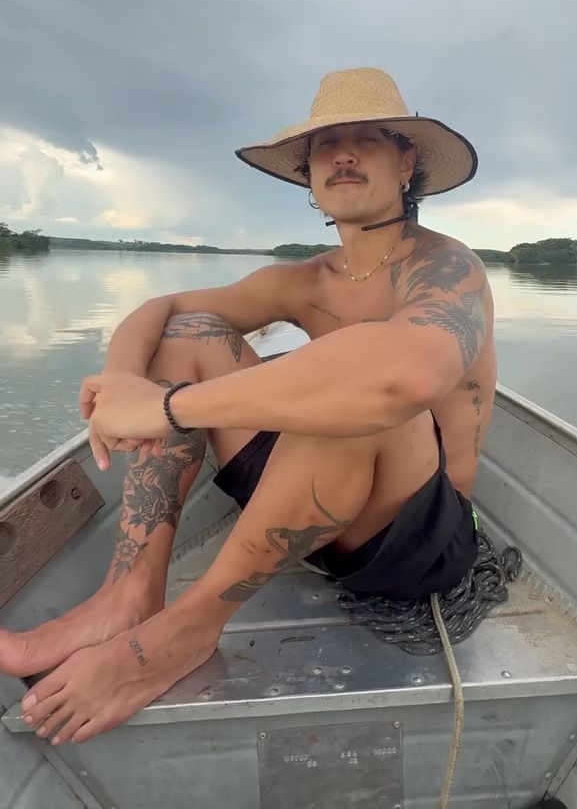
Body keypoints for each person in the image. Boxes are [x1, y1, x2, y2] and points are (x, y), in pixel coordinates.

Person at [0, 66, 496, 745]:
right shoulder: (306, 278)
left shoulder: (448, 268)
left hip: (418, 542)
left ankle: (188, 628)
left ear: (406, 162)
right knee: (190, 334)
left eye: (367, 139)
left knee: (352, 393)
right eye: (326, 144)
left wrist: (169, 408)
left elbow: (403, 381)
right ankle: (130, 592)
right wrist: (124, 384)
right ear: (309, 174)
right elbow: (164, 308)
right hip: (319, 515)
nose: (343, 155)